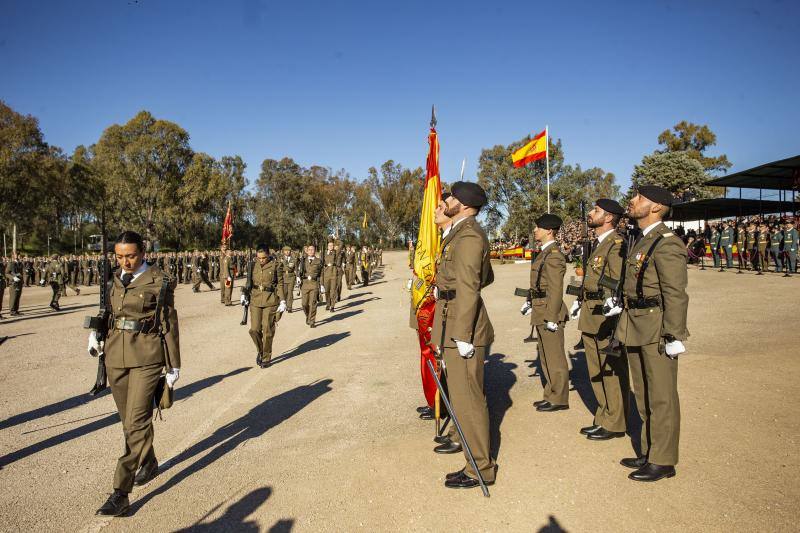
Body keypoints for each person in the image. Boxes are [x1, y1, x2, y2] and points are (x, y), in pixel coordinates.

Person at [92, 231, 181, 516]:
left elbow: (169, 323)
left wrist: (174, 365)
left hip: (147, 356)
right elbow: (108, 312)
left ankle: (121, 492)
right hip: (115, 356)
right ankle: (149, 459)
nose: (125, 261)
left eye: (130, 255)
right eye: (119, 256)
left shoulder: (160, 281)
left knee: (137, 421)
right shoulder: (112, 278)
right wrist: (95, 334)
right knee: (127, 422)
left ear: (143, 253)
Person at [608, 185, 689, 482]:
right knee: (643, 394)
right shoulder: (642, 240)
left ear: (655, 207)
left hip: (656, 327)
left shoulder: (666, 243)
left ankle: (664, 460)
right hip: (636, 322)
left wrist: (674, 334)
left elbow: (675, 293)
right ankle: (650, 450)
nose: (632, 200)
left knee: (662, 396)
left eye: (639, 198)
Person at [430, 181, 496, 490]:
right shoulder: (460, 232)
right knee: (461, 396)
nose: (448, 201)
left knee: (469, 400)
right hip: (453, 318)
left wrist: (464, 333)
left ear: (467, 207)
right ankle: (473, 457)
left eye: (453, 199)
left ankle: (480, 468)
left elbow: (471, 286)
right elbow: (485, 277)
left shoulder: (469, 235)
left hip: (461, 325)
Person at [571, 199, 628, 440]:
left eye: (596, 211)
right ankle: (604, 415)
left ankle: (615, 421)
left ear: (608, 218)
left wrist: (612, 302)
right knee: (595, 369)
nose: (591, 214)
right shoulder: (598, 243)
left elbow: (616, 280)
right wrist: (579, 298)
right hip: (591, 312)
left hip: (605, 316)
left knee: (610, 371)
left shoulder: (616, 244)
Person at [522, 213, 570, 412]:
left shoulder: (554, 255)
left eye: (538, 227)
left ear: (549, 231)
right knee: (545, 354)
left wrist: (551, 316)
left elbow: (555, 288)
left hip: (550, 310)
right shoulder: (544, 252)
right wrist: (529, 301)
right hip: (541, 306)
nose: (535, 230)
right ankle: (550, 394)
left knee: (554, 356)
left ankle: (559, 398)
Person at [242, 246, 286, 368]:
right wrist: (244, 294)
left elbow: (280, 284)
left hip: (270, 300)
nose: (261, 260)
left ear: (268, 255)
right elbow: (248, 282)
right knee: (254, 330)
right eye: (259, 258)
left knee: (267, 329)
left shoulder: (276, 265)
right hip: (255, 300)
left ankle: (266, 357)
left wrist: (282, 300)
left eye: (264, 258)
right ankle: (261, 351)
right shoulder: (252, 265)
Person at [298, 244, 322, 328]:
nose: (311, 251)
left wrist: (321, 284)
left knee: (313, 303)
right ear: (307, 251)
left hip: (314, 283)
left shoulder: (318, 261)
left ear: (315, 251)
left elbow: (321, 273)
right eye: (309, 250)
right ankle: (308, 316)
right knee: (304, 304)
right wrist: (298, 277)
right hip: (305, 283)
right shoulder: (303, 261)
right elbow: (299, 271)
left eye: (313, 249)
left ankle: (312, 321)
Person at [322, 241, 340, 311]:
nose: (331, 247)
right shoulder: (324, 253)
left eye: (332, 245)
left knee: (333, 291)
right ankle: (328, 304)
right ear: (327, 246)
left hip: (333, 274)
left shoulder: (335, 253)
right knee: (327, 291)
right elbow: (321, 262)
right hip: (326, 274)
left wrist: (336, 239)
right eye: (329, 245)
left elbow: (341, 245)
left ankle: (332, 306)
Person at [280, 246, 297, 312]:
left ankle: (289, 307)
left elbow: (293, 268)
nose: (287, 252)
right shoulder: (280, 259)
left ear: (290, 252)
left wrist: (297, 277)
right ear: (283, 251)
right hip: (283, 276)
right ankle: (285, 304)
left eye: (288, 251)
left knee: (290, 292)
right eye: (285, 250)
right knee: (285, 292)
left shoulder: (293, 259)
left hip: (291, 277)